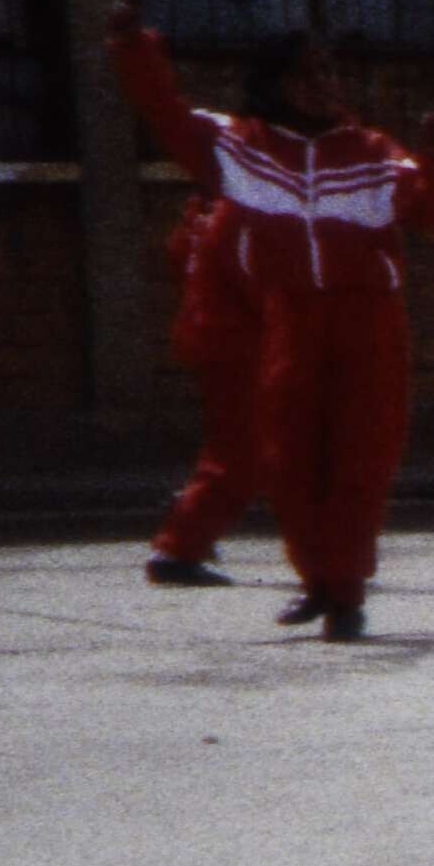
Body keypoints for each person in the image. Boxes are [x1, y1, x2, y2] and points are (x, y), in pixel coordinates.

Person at [104, 11, 434, 642]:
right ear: (273, 84)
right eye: (306, 74)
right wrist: (134, 48)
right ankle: (318, 579)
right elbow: (165, 112)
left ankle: (345, 591)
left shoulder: (373, 152)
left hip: (367, 319)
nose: (323, 85)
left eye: (329, 72)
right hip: (291, 316)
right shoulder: (240, 148)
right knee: (290, 459)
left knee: (361, 455)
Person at [135, 181, 266, 591]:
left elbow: (178, 258)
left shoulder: (200, 215)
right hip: (240, 343)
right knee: (241, 453)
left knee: (246, 443)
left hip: (210, 336)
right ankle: (180, 544)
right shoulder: (243, 218)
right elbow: (260, 284)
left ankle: (192, 515)